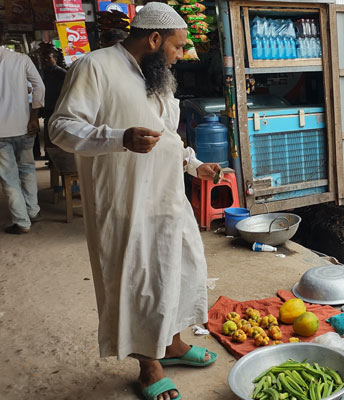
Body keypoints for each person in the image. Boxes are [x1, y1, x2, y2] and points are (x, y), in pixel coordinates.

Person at [49, 3, 222, 399]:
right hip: (124, 200)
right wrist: (118, 137)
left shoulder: (157, 78)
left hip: (168, 196)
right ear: (155, 39)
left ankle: (174, 344)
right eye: (177, 48)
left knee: (180, 269)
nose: (181, 56)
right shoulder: (95, 67)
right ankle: (149, 366)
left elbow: (166, 135)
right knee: (140, 280)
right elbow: (60, 127)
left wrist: (195, 166)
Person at [0, 22, 45, 234]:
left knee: (8, 177)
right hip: (25, 125)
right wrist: (34, 116)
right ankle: (33, 211)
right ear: (4, 36)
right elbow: (39, 86)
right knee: (27, 169)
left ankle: (21, 222)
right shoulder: (20, 59)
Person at [39, 47, 66, 153]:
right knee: (48, 135)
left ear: (55, 58)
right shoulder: (43, 73)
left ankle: (55, 158)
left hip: (57, 108)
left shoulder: (61, 73)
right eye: (44, 58)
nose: (45, 60)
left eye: (48, 57)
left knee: (56, 135)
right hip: (49, 108)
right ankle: (50, 158)